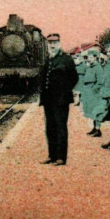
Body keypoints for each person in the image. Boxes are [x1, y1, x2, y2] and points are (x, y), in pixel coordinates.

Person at [39, 33, 78, 166]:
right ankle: (52, 155)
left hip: (61, 100)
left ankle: (61, 157)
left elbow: (74, 78)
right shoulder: (48, 59)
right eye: (50, 43)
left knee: (61, 128)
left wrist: (64, 92)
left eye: (55, 43)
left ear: (59, 44)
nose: (52, 45)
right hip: (48, 100)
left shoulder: (66, 59)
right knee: (50, 128)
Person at [82, 49, 104, 137]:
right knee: (91, 111)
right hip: (89, 92)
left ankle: (98, 130)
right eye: (88, 57)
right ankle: (95, 128)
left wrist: (94, 89)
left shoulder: (98, 67)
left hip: (95, 93)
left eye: (91, 57)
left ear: (95, 58)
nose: (89, 59)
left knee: (96, 111)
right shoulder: (89, 67)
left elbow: (100, 81)